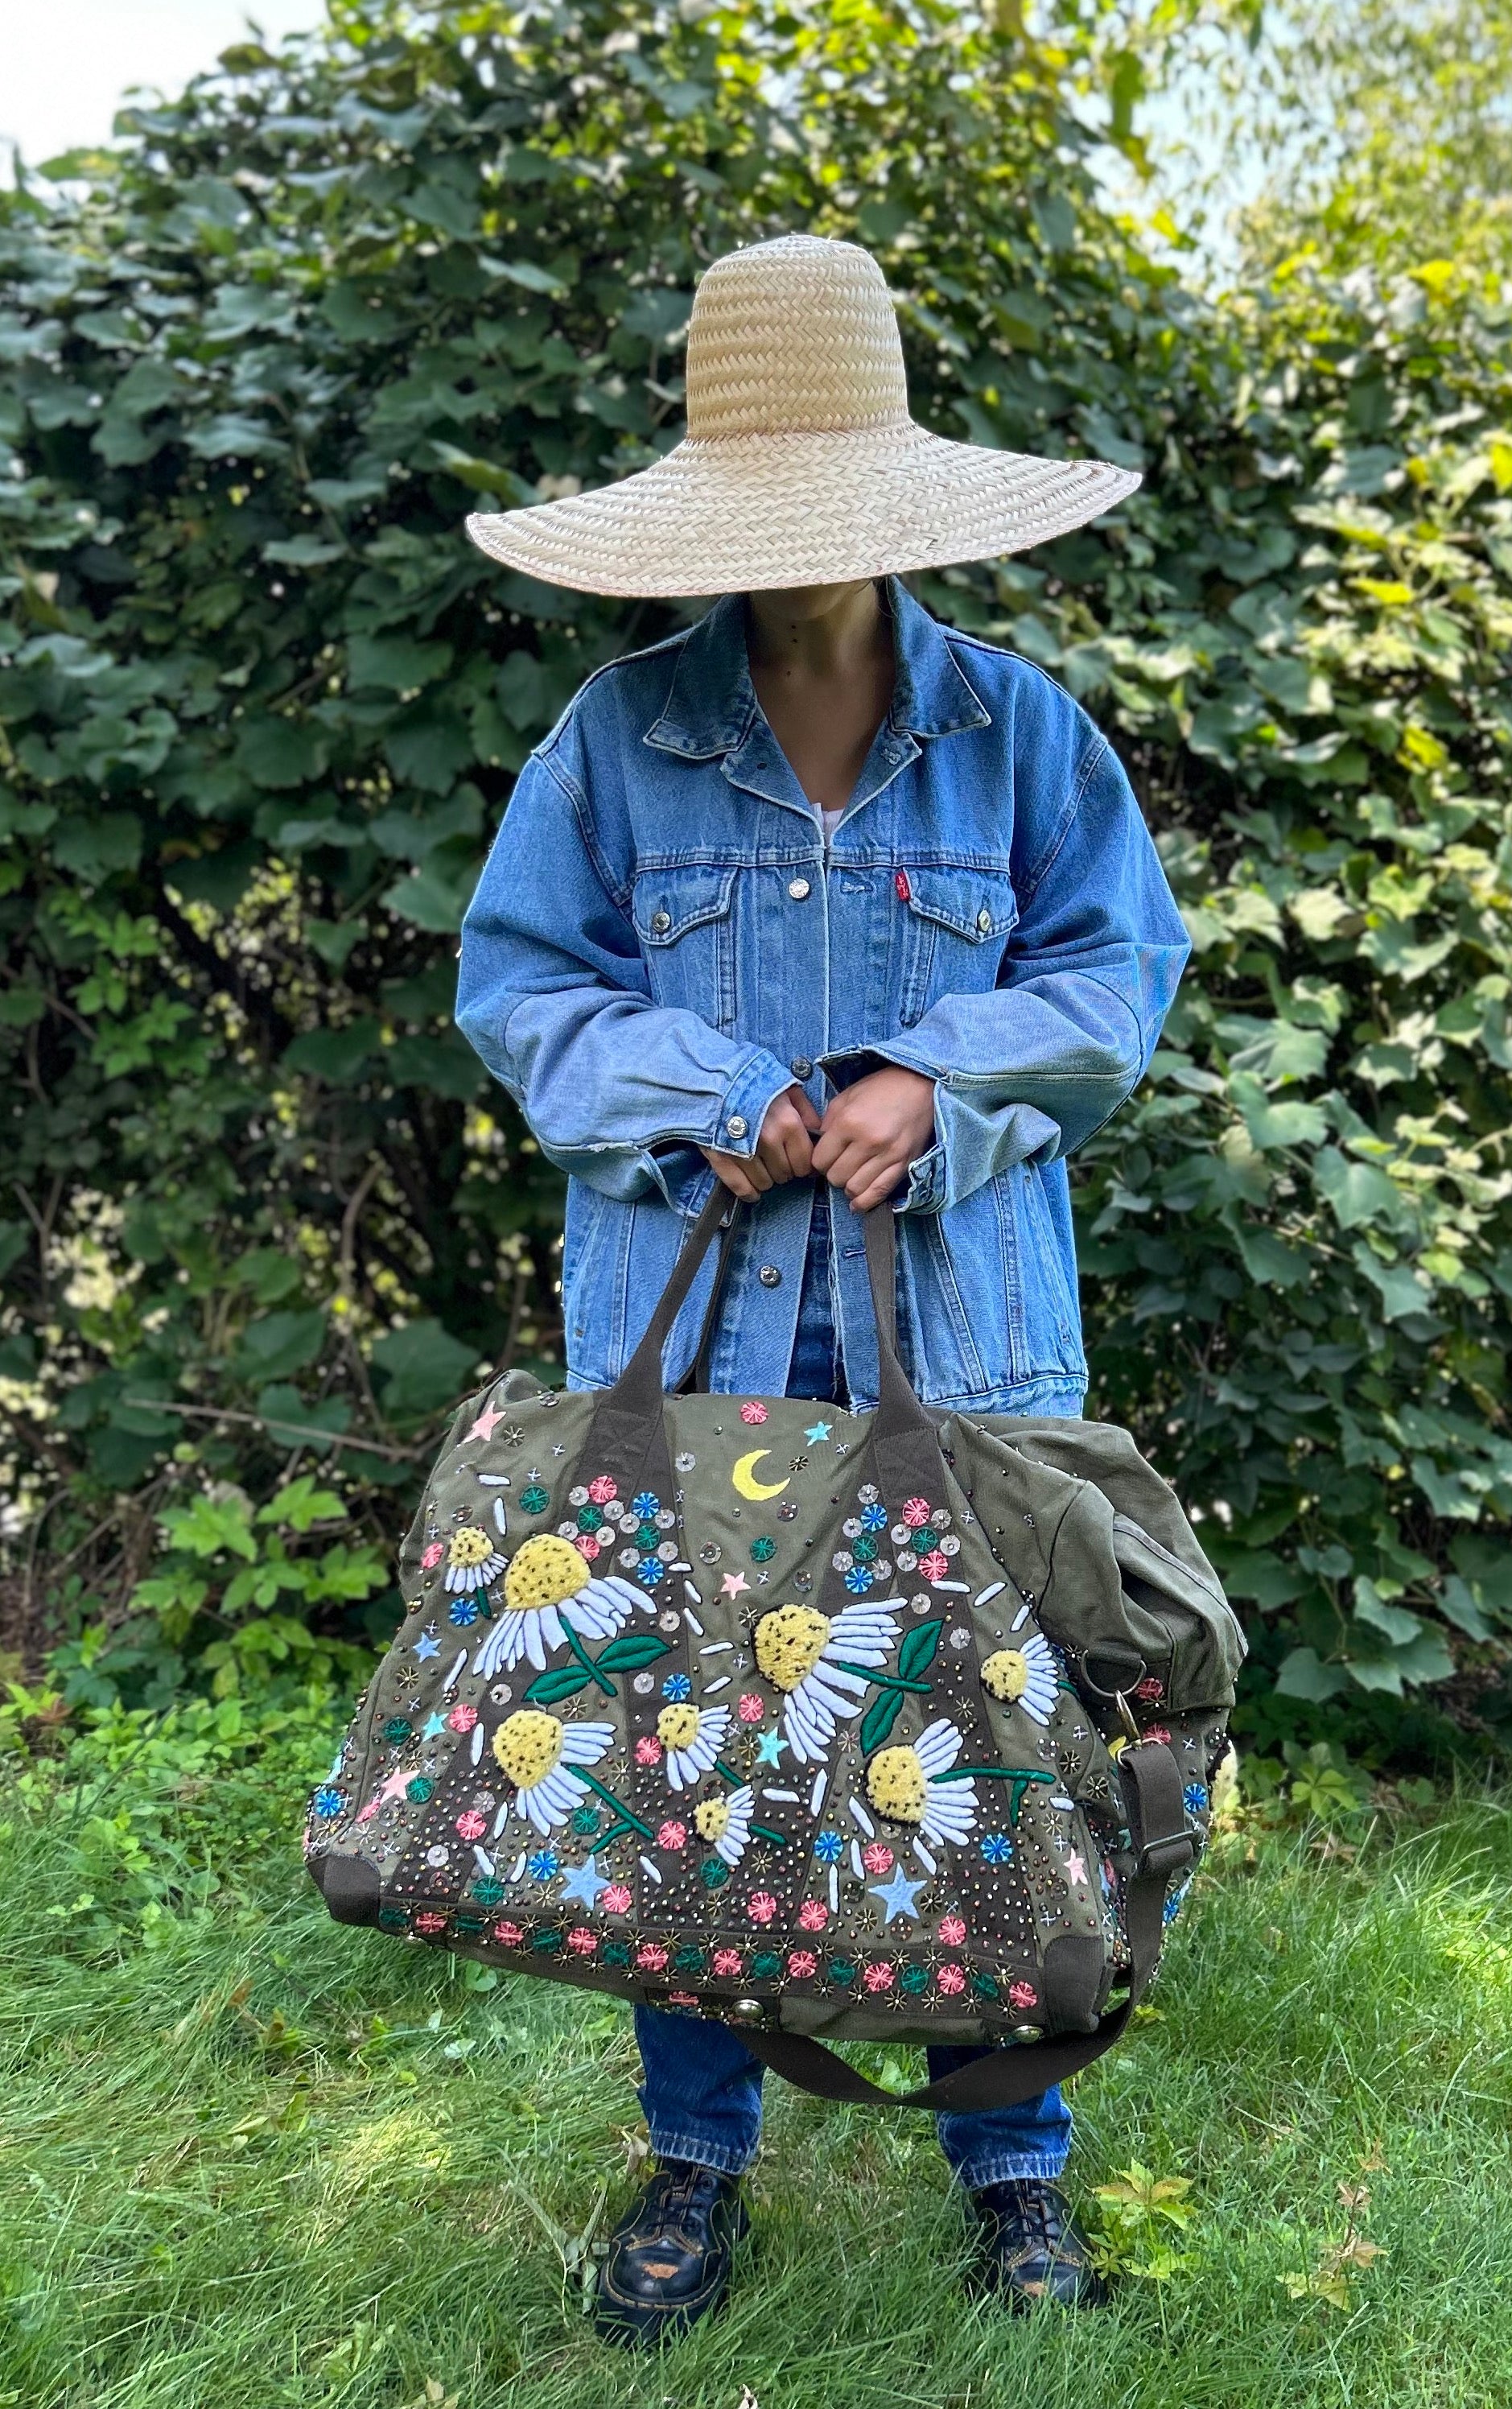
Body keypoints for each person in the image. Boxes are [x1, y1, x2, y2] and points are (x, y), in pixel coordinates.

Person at [454, 233, 1190, 2343]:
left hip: (962, 1345)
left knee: (981, 1740)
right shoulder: (613, 746)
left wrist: (928, 1086)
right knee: (693, 1762)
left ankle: (1015, 2167)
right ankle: (695, 2157)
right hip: (690, 1353)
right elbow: (522, 993)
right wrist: (711, 1096)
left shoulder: (1023, 738)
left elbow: (1114, 978)